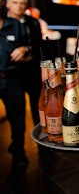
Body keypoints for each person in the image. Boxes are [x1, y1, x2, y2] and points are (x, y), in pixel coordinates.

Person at [6, 0, 42, 126]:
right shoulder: (2, 23)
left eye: (22, 3)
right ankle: (17, 146)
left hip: (32, 71)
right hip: (12, 74)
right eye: (15, 3)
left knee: (38, 111)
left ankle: (42, 146)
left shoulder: (33, 22)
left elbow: (38, 43)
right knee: (16, 114)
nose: (19, 6)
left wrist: (26, 49)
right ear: (8, 4)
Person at [0, 9, 30, 170]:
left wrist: (25, 49)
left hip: (12, 78)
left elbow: (30, 47)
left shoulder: (15, 24)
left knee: (17, 119)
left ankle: (18, 151)